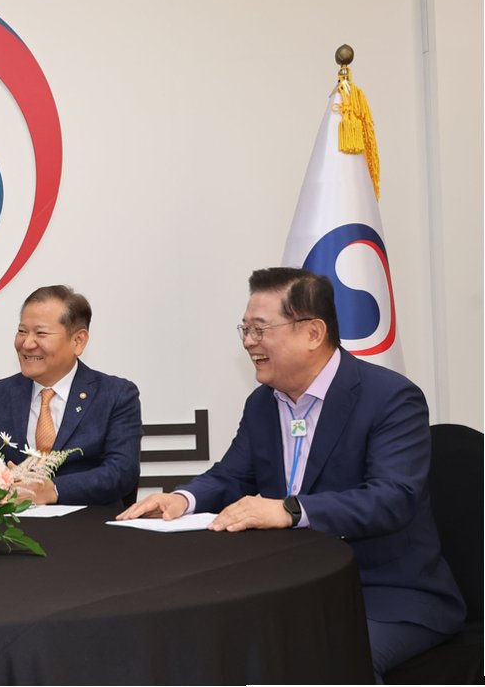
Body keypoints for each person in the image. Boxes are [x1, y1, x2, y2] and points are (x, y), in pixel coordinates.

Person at [117, 267, 465, 679]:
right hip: (290, 586)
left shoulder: (389, 398)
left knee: (318, 665)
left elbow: (392, 498)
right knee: (206, 649)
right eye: (245, 329)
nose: (249, 342)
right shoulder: (263, 403)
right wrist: (182, 499)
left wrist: (289, 510)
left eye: (260, 329)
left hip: (385, 594)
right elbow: (231, 476)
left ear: (313, 333)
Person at [0, 285, 141, 505]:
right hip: (14, 523)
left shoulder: (116, 395)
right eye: (22, 331)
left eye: (41, 333)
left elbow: (121, 472)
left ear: (78, 341)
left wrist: (54, 490)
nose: (27, 343)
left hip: (90, 523)